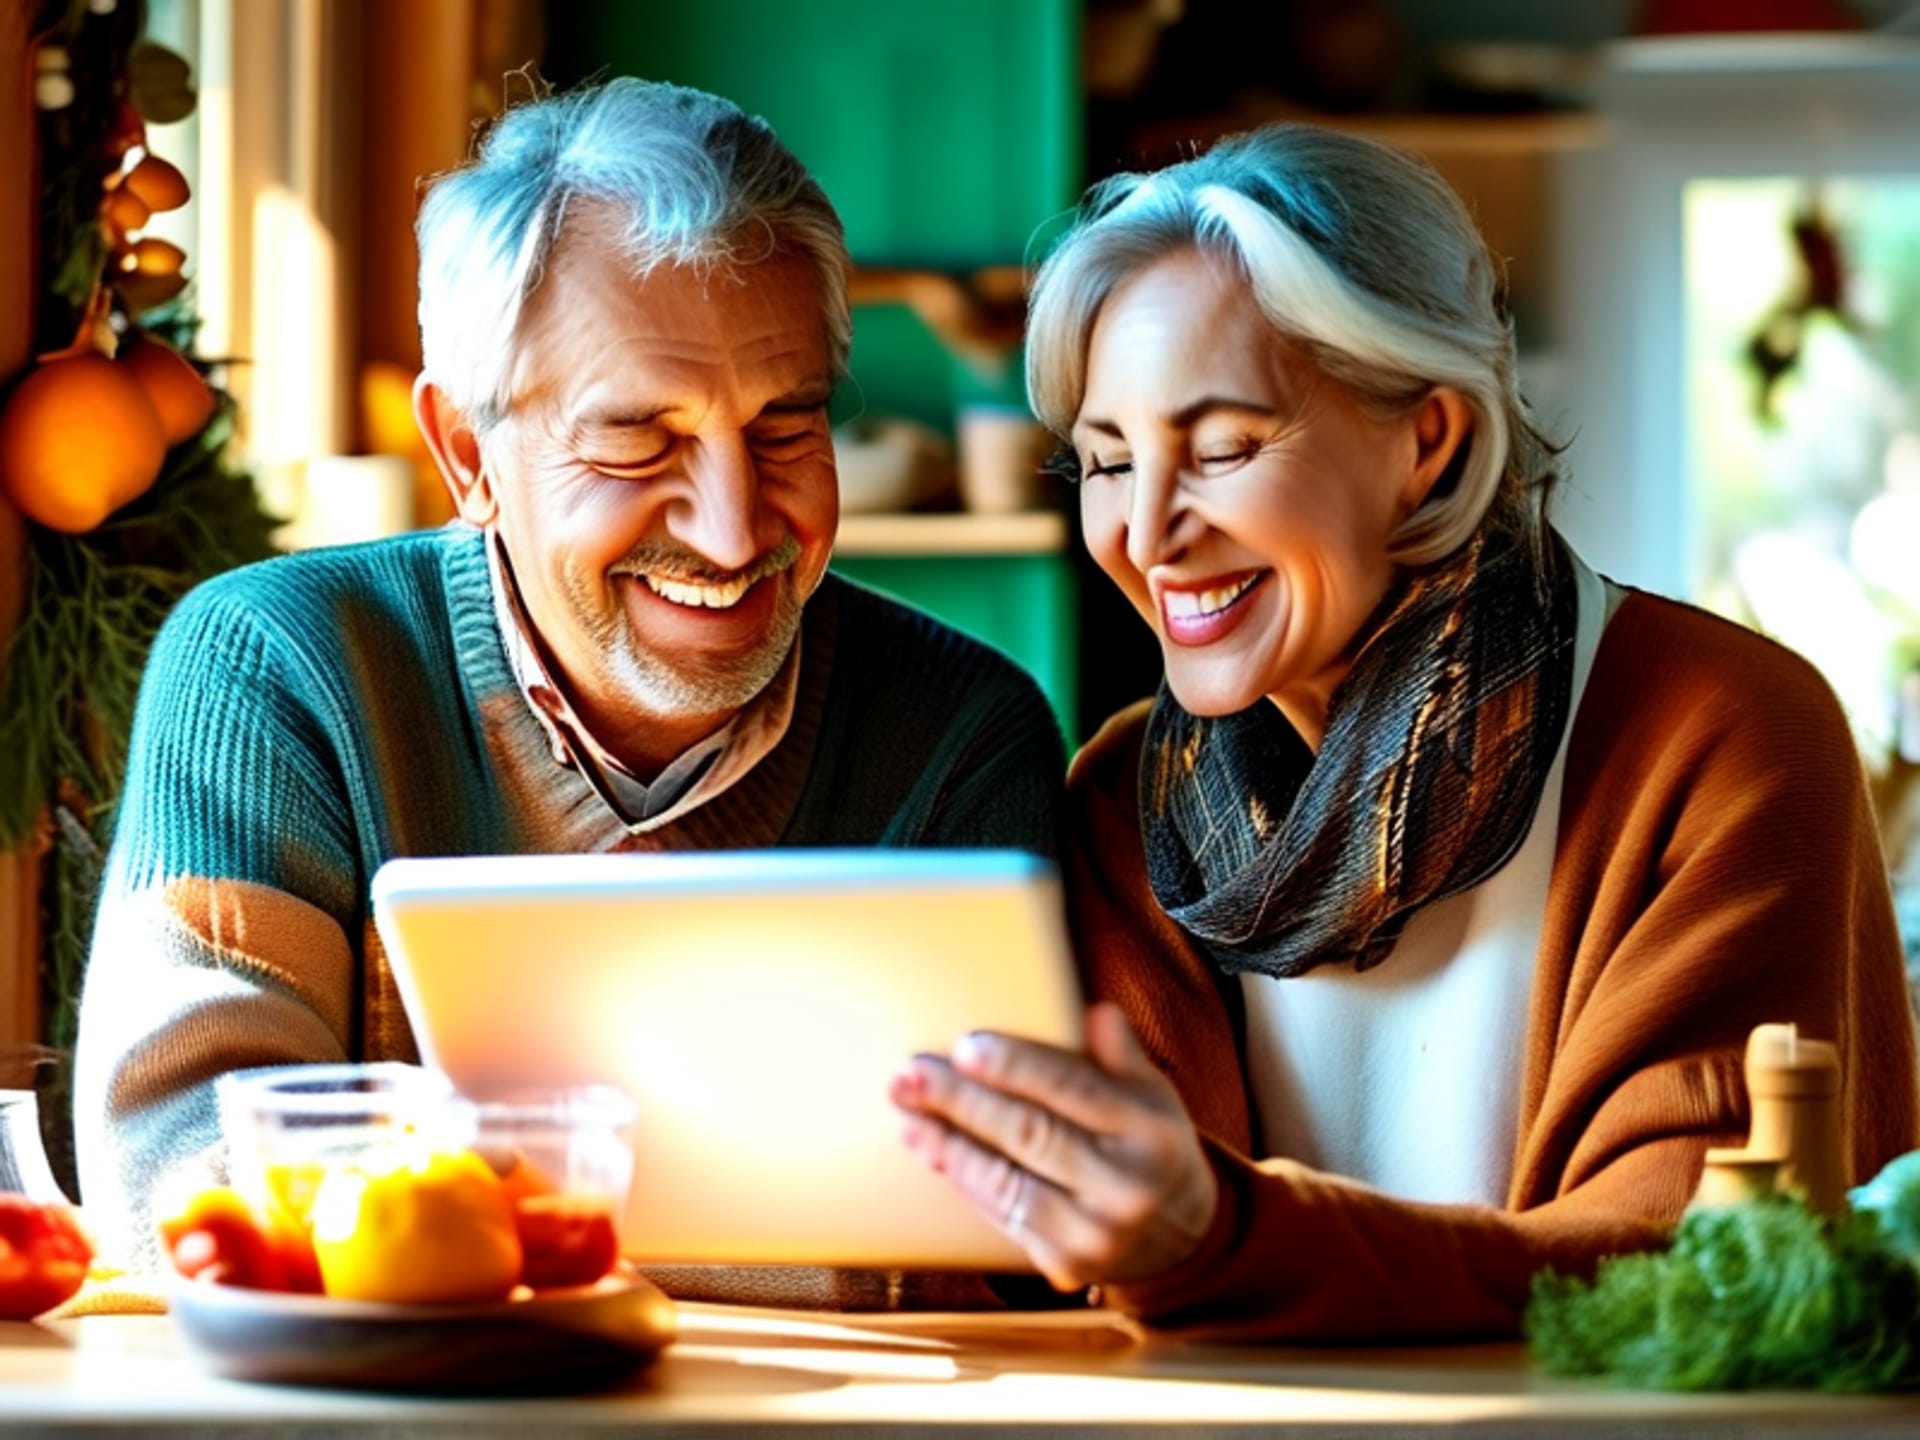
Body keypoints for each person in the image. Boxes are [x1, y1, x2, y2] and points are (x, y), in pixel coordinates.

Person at [890, 122, 1919, 1339]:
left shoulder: (1726, 738)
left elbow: (1707, 1273)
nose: (1149, 531)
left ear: (1426, 442)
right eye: (1109, 462)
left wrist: (1225, 1241)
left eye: (1221, 449)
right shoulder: (1124, 799)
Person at [74, 77, 1065, 1269]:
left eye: (785, 428)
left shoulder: (964, 730)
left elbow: (1008, 1241)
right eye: (636, 438)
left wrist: (447, 1211)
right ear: (465, 453)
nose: (733, 527)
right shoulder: (280, 668)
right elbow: (188, 1178)